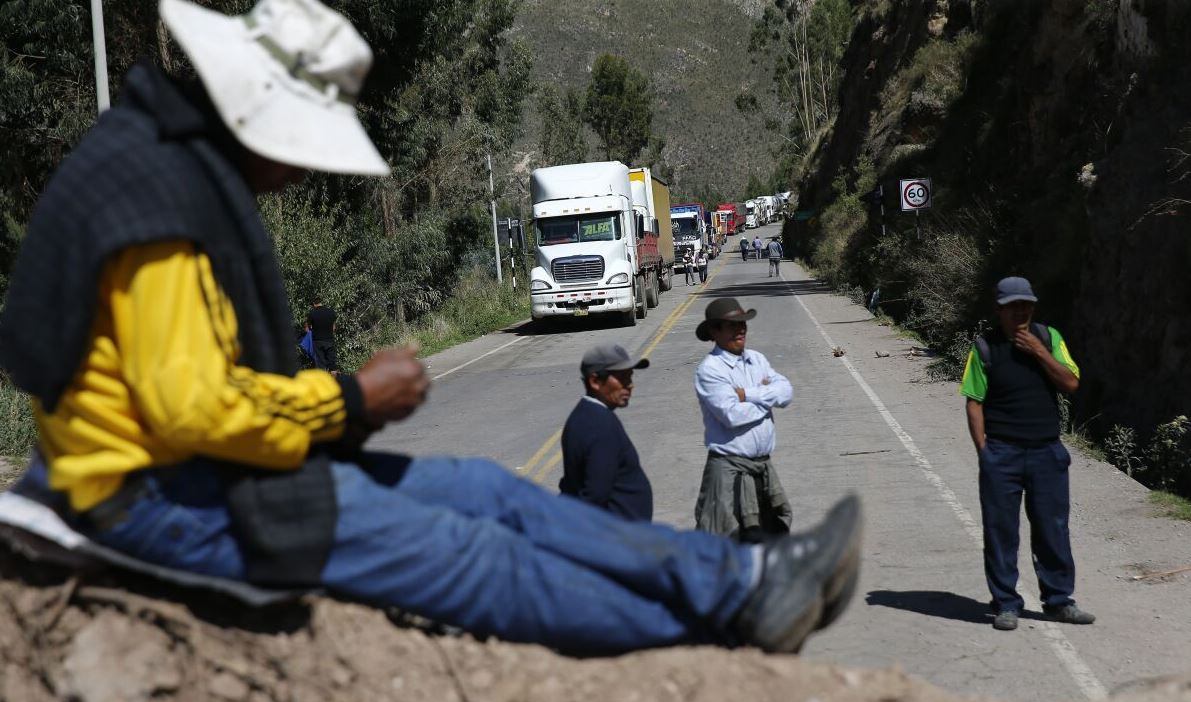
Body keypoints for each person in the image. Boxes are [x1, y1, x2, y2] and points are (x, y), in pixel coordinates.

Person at [0, 0, 862, 657]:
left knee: (486, 492)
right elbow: (192, 411)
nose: (299, 171)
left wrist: (346, 404)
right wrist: (349, 396)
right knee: (472, 557)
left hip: (199, 471)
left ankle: (741, 574)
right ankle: (728, 625)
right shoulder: (160, 213)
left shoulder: (165, 169)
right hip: (153, 500)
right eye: (299, 143)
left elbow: (200, 388)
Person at [960, 276, 1095, 632]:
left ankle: (1059, 601)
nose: (1020, 312)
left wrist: (1038, 350)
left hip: (1046, 452)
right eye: (1012, 306)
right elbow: (974, 402)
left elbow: (1070, 383)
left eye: (1026, 305)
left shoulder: (1050, 338)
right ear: (999, 310)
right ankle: (1006, 603)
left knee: (1053, 528)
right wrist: (984, 451)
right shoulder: (984, 347)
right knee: (1000, 531)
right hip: (1002, 453)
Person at [693, 298, 794, 542]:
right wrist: (768, 400)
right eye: (732, 325)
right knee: (724, 539)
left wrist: (748, 394)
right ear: (714, 332)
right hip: (729, 470)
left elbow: (787, 392)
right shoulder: (711, 370)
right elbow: (732, 415)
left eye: (743, 324)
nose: (741, 330)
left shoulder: (757, 359)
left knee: (772, 535)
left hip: (762, 467)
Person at [559, 344, 652, 522]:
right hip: (619, 536)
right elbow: (596, 494)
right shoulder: (600, 426)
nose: (630, 385)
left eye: (630, 377)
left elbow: (571, 484)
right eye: (622, 378)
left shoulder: (582, 415)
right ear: (595, 382)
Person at [306, 299, 338, 372]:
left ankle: (322, 381)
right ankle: (334, 381)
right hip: (329, 341)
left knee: (320, 364)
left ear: (314, 304)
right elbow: (334, 328)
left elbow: (307, 329)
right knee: (332, 364)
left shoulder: (312, 313)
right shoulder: (331, 312)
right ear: (321, 302)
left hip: (318, 341)